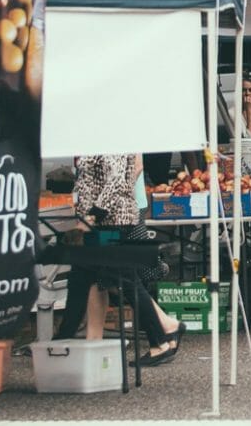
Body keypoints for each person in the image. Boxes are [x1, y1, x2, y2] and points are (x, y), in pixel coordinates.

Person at [58, 154, 182, 364]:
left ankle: (160, 340)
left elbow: (116, 180)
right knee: (89, 278)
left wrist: (92, 216)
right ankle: (66, 343)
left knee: (121, 278)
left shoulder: (110, 136)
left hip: (109, 221)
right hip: (103, 220)